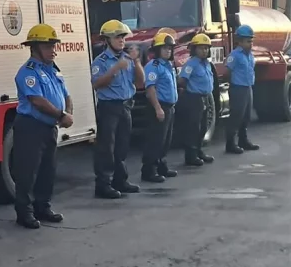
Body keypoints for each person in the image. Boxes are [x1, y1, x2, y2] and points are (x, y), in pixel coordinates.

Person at [12, 23, 73, 229]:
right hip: (31, 126)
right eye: (48, 47)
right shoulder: (27, 72)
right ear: (34, 48)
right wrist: (61, 115)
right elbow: (37, 100)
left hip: (49, 127)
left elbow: (66, 95)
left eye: (53, 46)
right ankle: (24, 212)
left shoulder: (54, 70)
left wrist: (68, 113)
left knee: (48, 170)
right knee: (27, 172)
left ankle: (43, 207)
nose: (53, 51)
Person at [90, 20, 145, 199]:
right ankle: (103, 184)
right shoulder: (102, 61)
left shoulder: (127, 59)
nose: (122, 40)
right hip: (109, 107)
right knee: (107, 147)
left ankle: (120, 180)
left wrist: (136, 62)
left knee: (122, 146)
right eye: (117, 37)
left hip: (125, 105)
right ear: (107, 39)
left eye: (123, 37)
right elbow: (97, 84)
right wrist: (115, 69)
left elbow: (140, 82)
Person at [140, 32, 179, 183]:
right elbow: (150, 89)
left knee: (166, 139)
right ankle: (149, 170)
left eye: (170, 48)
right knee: (155, 140)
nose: (168, 51)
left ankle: (162, 165)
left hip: (169, 106)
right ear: (157, 50)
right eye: (164, 48)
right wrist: (157, 108)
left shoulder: (168, 65)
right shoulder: (153, 66)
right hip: (159, 106)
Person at [177, 33, 216, 166]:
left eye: (206, 48)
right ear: (194, 49)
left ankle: (199, 151)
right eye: (201, 48)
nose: (204, 51)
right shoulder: (191, 64)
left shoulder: (207, 64)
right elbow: (182, 80)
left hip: (205, 98)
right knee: (193, 128)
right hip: (193, 99)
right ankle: (191, 155)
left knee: (203, 126)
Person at [225, 25, 260, 154]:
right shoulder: (234, 55)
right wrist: (233, 85)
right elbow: (227, 72)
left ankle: (243, 140)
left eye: (251, 41)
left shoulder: (250, 55)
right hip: (238, 88)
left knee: (246, 116)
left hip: (248, 87)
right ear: (239, 41)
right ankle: (230, 143)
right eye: (247, 41)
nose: (250, 44)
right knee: (236, 116)